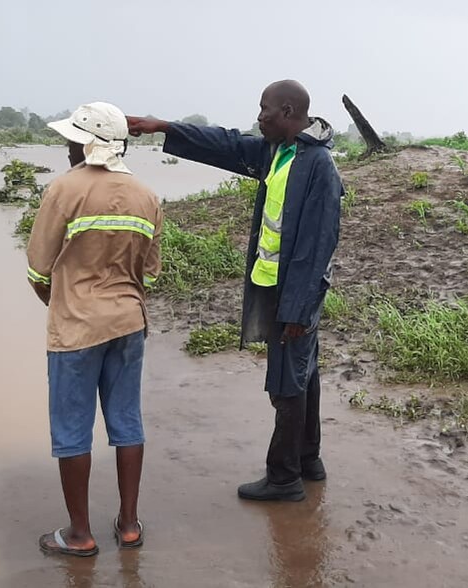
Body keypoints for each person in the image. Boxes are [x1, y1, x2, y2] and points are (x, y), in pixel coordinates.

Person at [127, 80, 342, 502]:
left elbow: (318, 246)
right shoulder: (279, 151)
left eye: (264, 109)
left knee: (287, 382)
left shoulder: (318, 167)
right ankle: (308, 460)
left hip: (295, 294)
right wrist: (164, 126)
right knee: (305, 374)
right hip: (274, 285)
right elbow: (225, 144)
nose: (258, 117)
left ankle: (283, 478)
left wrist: (298, 311)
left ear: (286, 110)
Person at [27, 101, 162, 556]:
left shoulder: (64, 190)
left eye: (70, 139)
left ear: (85, 143)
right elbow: (151, 271)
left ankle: (80, 534)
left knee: (71, 431)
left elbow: (38, 270)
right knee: (127, 422)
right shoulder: (146, 195)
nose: (66, 147)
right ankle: (128, 524)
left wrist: (63, 302)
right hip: (128, 323)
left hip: (76, 329)